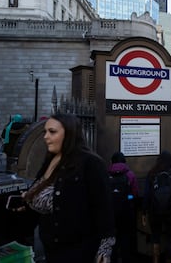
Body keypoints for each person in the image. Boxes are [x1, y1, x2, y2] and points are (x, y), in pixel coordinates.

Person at [22, 113, 115, 263]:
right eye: (45, 132)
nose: (46, 136)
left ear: (69, 133)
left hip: (79, 250)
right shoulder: (50, 160)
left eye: (52, 132)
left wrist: (105, 249)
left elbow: (104, 208)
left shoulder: (91, 163)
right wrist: (26, 199)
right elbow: (40, 191)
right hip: (51, 248)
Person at [142, 151, 171, 263]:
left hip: (154, 211)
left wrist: (144, 211)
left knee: (155, 237)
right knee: (170, 238)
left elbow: (147, 194)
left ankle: (155, 259)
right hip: (170, 211)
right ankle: (169, 260)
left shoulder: (152, 173)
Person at [108, 151, 139, 263]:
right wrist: (128, 198)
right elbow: (134, 193)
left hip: (111, 213)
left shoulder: (106, 174)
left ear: (112, 161)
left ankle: (113, 259)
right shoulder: (130, 175)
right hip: (126, 212)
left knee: (112, 239)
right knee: (126, 238)